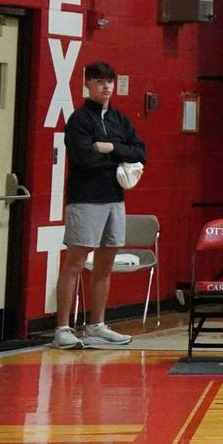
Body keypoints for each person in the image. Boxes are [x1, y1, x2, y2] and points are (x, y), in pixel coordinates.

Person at [51, 60, 146, 350]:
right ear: (88, 85)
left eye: (110, 81)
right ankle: (62, 328)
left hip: (115, 199)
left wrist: (111, 148)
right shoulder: (79, 120)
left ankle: (96, 325)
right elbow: (84, 159)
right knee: (75, 263)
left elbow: (141, 151)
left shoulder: (119, 119)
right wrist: (118, 158)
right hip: (86, 199)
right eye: (99, 81)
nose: (106, 86)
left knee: (105, 265)